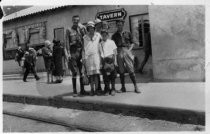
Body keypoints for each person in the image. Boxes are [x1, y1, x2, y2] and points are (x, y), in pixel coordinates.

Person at [111, 19, 141, 93]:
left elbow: (133, 42)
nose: (119, 26)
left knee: (131, 69)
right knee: (121, 70)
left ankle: (136, 86)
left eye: (120, 25)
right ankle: (123, 87)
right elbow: (112, 46)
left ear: (123, 25)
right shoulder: (114, 35)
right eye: (118, 25)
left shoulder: (128, 33)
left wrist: (129, 50)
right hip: (118, 51)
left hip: (126, 50)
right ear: (116, 25)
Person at [65, 15, 88, 96]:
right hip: (73, 52)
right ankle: (74, 90)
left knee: (81, 71)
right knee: (74, 72)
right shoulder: (68, 30)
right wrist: (68, 53)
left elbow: (85, 38)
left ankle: (82, 90)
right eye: (74, 20)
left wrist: (83, 29)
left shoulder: (81, 29)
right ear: (72, 20)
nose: (76, 22)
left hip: (80, 51)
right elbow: (67, 41)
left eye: (77, 20)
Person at [83, 21, 102, 96]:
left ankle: (97, 89)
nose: (91, 29)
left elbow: (101, 45)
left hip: (96, 57)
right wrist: (83, 58)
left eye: (92, 28)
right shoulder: (84, 37)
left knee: (96, 75)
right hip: (88, 58)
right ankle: (91, 89)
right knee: (91, 75)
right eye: (89, 28)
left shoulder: (98, 35)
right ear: (87, 29)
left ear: (94, 28)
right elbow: (83, 49)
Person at [100, 29, 117, 96]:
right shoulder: (100, 44)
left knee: (112, 76)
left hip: (111, 60)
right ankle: (107, 89)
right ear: (101, 35)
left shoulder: (112, 42)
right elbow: (100, 54)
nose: (104, 36)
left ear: (107, 35)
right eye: (103, 34)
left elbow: (115, 52)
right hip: (105, 61)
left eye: (105, 34)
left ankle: (113, 89)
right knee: (106, 77)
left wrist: (115, 61)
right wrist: (101, 63)